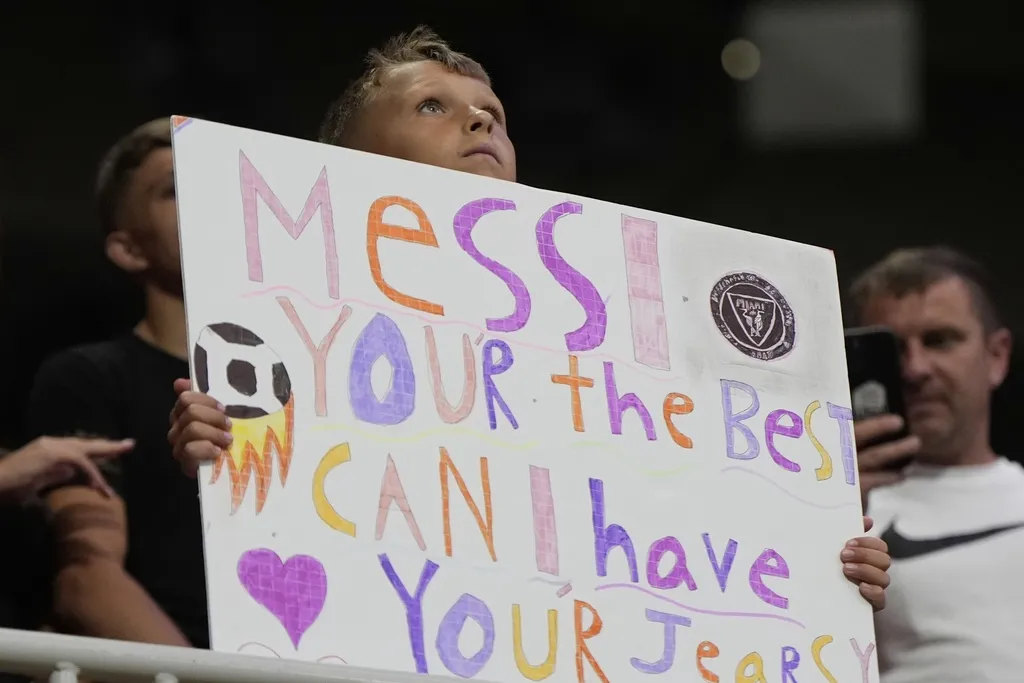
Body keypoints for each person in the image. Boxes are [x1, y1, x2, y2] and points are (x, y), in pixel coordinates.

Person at [167, 26, 892, 613]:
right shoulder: (283, 323)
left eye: (495, 113)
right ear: (352, 159)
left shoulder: (622, 327)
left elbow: (686, 518)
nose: (480, 117)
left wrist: (818, 561)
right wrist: (220, 462)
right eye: (431, 106)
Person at [26, 119, 206, 647]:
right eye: (175, 188)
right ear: (129, 250)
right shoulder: (91, 376)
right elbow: (88, 580)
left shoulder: (314, 382)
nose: (203, 195)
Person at [850, 246, 1022, 682]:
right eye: (893, 349)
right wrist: (824, 510)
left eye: (939, 340)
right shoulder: (846, 510)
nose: (915, 368)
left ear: (997, 356)